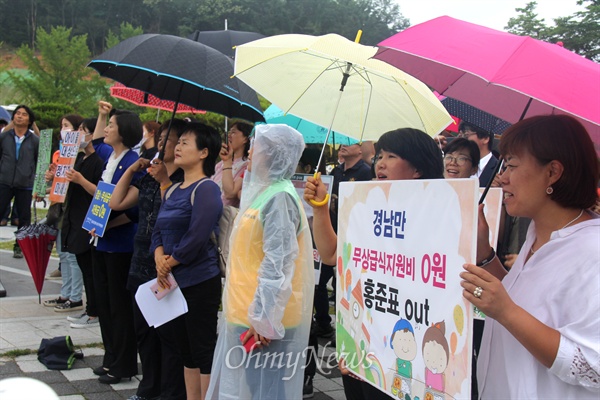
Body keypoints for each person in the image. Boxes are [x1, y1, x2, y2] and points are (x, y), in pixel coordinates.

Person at [460, 115, 600, 398]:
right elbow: (523, 298)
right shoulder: (538, 231)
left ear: (553, 173)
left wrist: (506, 312)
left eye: (511, 165)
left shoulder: (592, 250)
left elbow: (591, 367)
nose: (503, 177)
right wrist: (485, 252)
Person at [305, 128, 444, 400]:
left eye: (392, 156)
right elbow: (332, 254)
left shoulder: (438, 215)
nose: (380, 163)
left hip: (408, 357)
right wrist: (320, 207)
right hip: (364, 348)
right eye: (380, 155)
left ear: (417, 168)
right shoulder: (367, 206)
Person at [207, 124, 315, 400]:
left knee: (266, 390)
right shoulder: (265, 193)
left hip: (263, 321)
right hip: (246, 312)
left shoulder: (280, 198)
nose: (251, 152)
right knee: (253, 389)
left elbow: (278, 261)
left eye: (258, 146)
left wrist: (265, 319)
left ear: (271, 154)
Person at [110, 119, 188, 400]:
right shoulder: (148, 177)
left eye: (175, 140)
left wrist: (164, 179)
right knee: (143, 331)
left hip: (165, 267)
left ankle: (168, 392)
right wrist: (133, 168)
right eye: (165, 138)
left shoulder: (183, 182)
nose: (167, 144)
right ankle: (147, 389)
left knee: (167, 335)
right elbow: (116, 203)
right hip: (140, 260)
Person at [151, 122, 223, 400]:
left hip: (199, 281)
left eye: (185, 142)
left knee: (202, 347)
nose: (178, 146)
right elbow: (158, 229)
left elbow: (197, 236)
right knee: (184, 349)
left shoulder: (206, 189)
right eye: (177, 141)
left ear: (204, 152)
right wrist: (159, 257)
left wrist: (170, 262)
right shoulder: (172, 189)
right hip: (172, 280)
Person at [90, 101, 144, 384]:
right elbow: (97, 140)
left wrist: (106, 224)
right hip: (101, 239)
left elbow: (133, 211)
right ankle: (110, 357)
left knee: (120, 306)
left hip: (120, 243)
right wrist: (101, 114)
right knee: (104, 303)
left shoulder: (132, 163)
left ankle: (123, 364)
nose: (107, 129)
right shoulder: (110, 156)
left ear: (123, 132)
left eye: (112, 124)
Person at [313, 142, 373, 339]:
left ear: (360, 149)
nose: (342, 147)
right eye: (341, 145)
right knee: (319, 281)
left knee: (345, 286)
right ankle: (323, 323)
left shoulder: (366, 172)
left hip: (351, 237)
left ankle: (346, 333)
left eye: (350, 144)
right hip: (330, 233)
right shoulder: (336, 172)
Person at [60, 117, 105, 328]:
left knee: (90, 270)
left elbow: (101, 193)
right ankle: (90, 309)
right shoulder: (80, 160)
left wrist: (80, 180)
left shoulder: (99, 162)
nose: (79, 134)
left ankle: (95, 312)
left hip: (89, 221)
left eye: (83, 130)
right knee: (83, 265)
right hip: (75, 218)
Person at [42, 114, 86, 313]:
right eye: (62, 126)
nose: (63, 130)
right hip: (60, 208)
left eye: (67, 126)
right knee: (63, 254)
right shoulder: (62, 153)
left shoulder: (80, 154)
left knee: (71, 256)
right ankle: (65, 294)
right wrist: (52, 178)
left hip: (72, 210)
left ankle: (75, 297)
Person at [0, 105, 39, 258]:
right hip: (4, 181)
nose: (20, 116)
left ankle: (19, 246)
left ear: (30, 119)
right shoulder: (4, 137)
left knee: (24, 218)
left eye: (24, 114)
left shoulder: (34, 140)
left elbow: (39, 162)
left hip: (25, 184)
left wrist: (37, 186)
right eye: (17, 113)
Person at [211, 121, 252, 208]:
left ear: (245, 139)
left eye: (233, 132)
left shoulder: (247, 166)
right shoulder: (220, 164)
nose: (229, 135)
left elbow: (230, 194)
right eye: (229, 132)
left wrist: (227, 162)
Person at [458, 121, 498, 187]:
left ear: (485, 138)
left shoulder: (499, 169)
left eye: (466, 135)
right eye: (460, 136)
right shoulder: (458, 165)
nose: (462, 141)